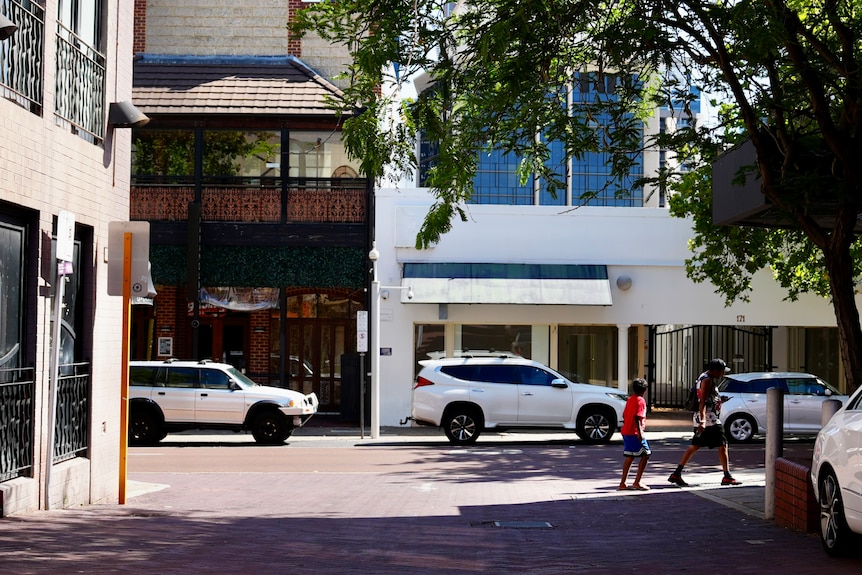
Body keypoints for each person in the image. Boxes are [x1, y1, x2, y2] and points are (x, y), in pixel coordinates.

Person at [668, 358, 741, 487]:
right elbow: (702, 401)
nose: (722, 374)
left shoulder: (704, 377)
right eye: (722, 371)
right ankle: (727, 476)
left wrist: (719, 400)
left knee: (695, 445)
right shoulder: (707, 380)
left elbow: (707, 398)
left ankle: (677, 473)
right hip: (709, 419)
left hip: (704, 418)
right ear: (715, 371)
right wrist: (702, 421)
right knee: (722, 444)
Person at [619, 378, 651, 490]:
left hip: (626, 431)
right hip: (634, 432)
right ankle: (637, 481)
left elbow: (625, 415)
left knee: (630, 456)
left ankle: (623, 482)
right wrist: (640, 431)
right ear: (645, 390)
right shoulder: (641, 401)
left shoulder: (630, 399)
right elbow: (637, 416)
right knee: (646, 454)